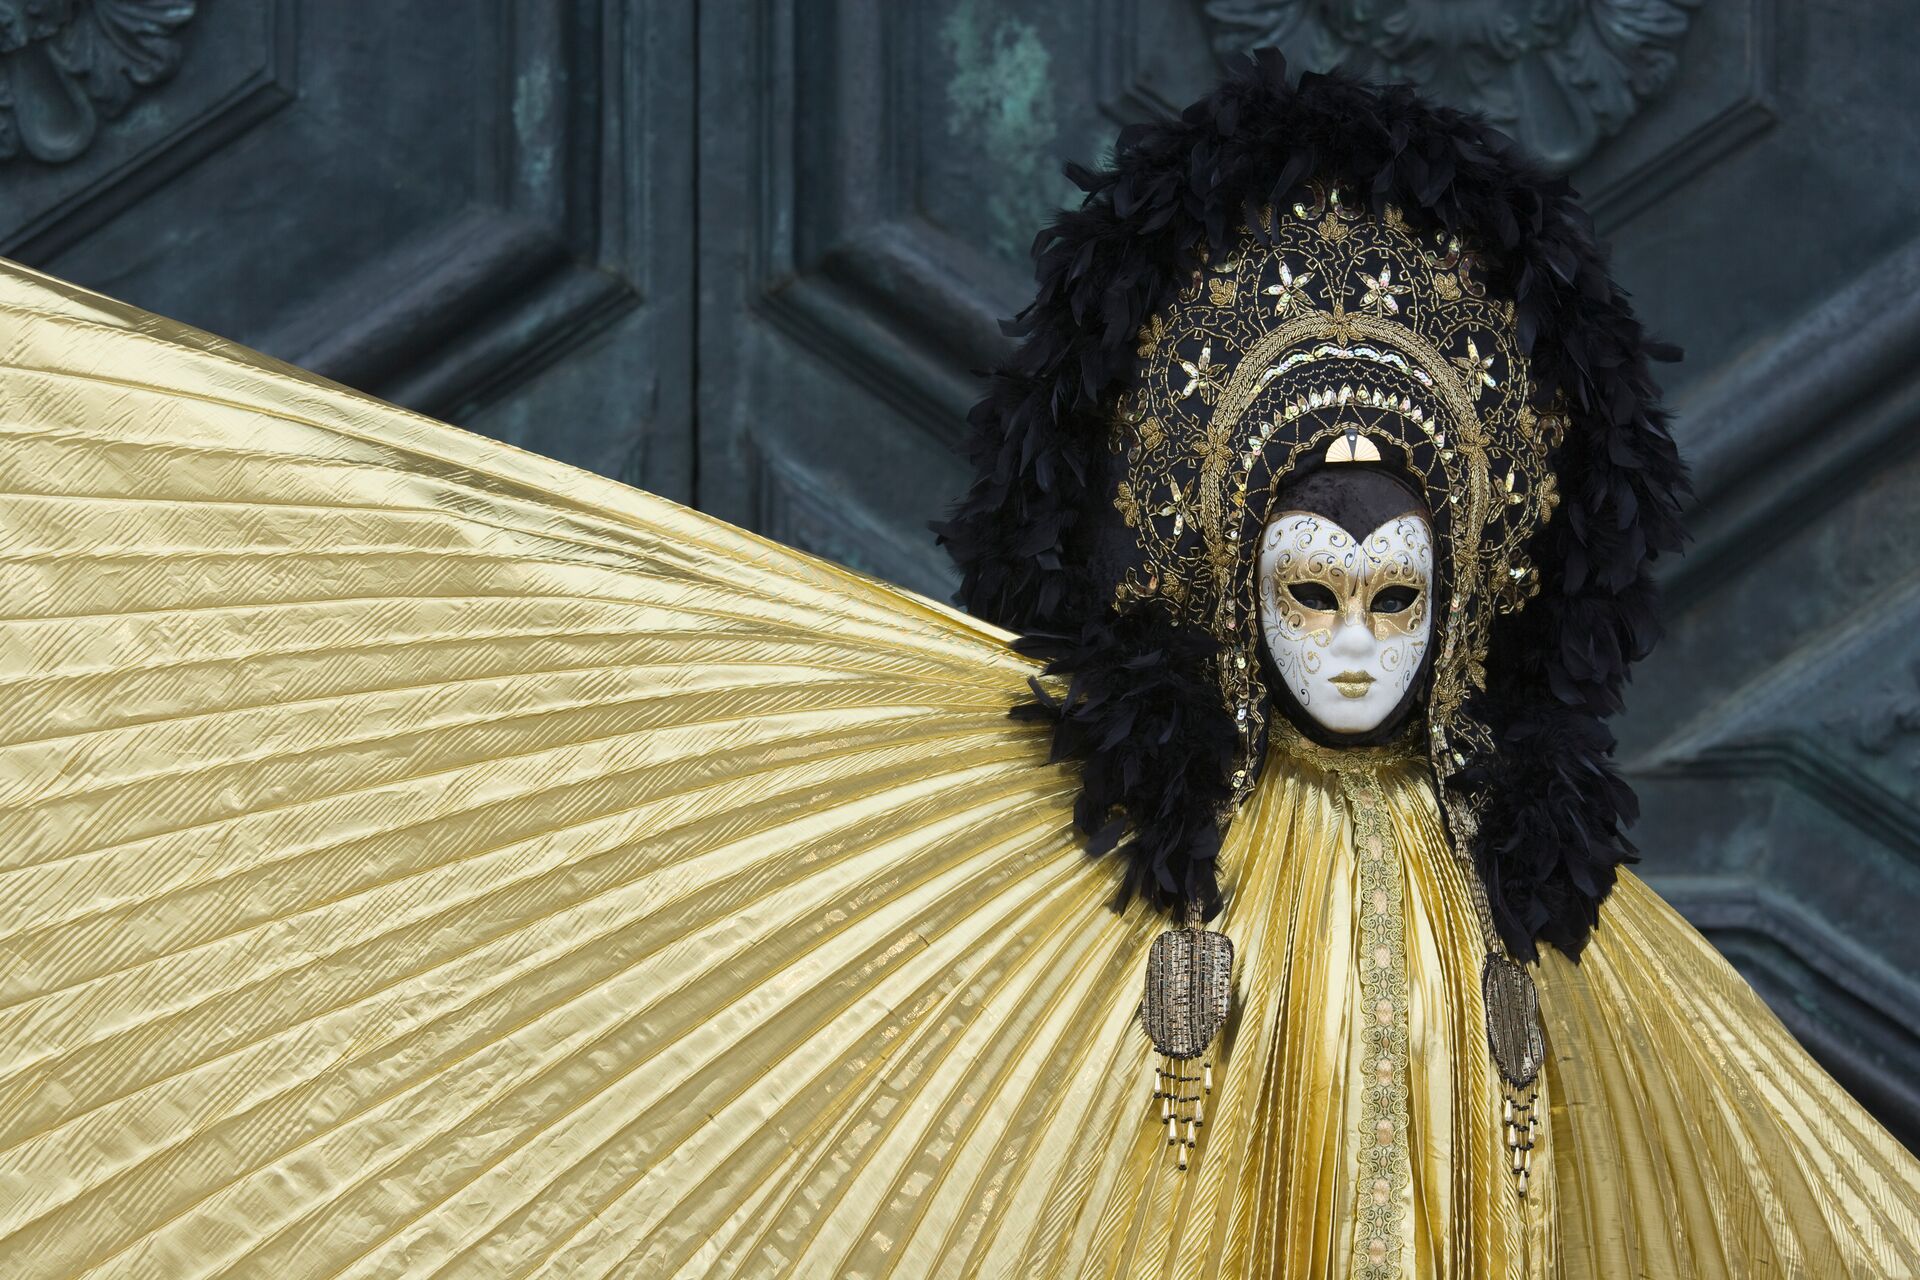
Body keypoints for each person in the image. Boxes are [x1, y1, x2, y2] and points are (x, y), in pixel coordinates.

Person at [0, 54, 1914, 1279]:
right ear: (1223, 570)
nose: (1346, 647)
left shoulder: (1546, 900)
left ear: (1469, 594)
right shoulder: (1060, 852)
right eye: (1308, 594)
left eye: (1391, 602)